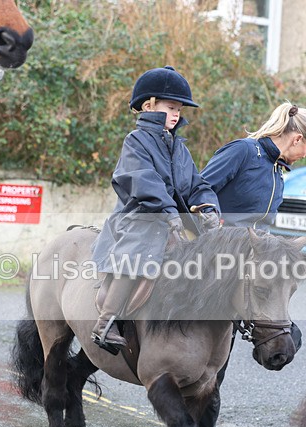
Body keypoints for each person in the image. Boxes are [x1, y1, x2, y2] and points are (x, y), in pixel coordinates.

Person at [191, 102, 306, 427]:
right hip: (212, 253)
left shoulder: (278, 171)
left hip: (245, 266)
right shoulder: (242, 152)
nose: (305, 155)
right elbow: (201, 185)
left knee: (220, 368)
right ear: (296, 138)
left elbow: (261, 225)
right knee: (207, 363)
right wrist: (213, 221)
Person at [91, 66, 220, 355]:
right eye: (170, 107)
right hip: (141, 218)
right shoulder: (135, 141)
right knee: (139, 251)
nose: (176, 114)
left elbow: (195, 184)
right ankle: (106, 322)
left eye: (179, 109)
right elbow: (142, 180)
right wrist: (169, 212)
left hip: (175, 219)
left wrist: (209, 206)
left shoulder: (179, 147)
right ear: (149, 105)